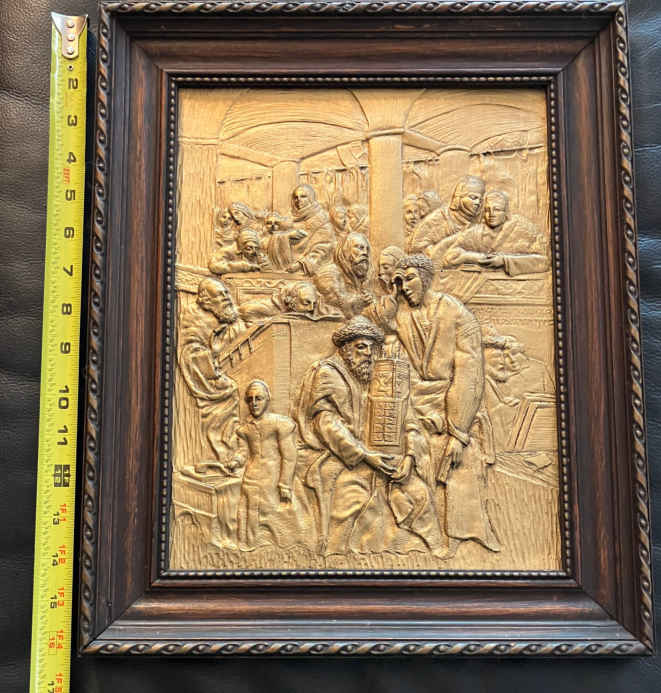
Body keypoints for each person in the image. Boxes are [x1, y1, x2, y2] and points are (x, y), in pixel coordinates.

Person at [370, 254, 500, 559]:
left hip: (453, 405)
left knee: (459, 464)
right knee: (404, 464)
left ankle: (462, 537)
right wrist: (391, 298)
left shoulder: (456, 314)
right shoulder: (400, 315)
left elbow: (469, 373)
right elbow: (374, 325)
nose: (404, 287)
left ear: (427, 278)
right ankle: (417, 534)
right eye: (399, 281)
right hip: (413, 404)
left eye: (410, 278)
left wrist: (458, 431)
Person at [294, 316, 443, 556]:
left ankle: (430, 556)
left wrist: (410, 457)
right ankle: (335, 557)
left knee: (419, 495)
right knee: (351, 499)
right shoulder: (327, 373)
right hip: (345, 458)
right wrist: (364, 454)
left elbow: (409, 420)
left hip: (388, 458)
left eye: (372, 348)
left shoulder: (382, 376)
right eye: (361, 347)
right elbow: (325, 423)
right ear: (346, 349)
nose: (368, 354)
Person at [230, 380, 307, 551]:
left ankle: (284, 549)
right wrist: (235, 461)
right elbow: (243, 452)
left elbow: (289, 456)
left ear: (267, 399)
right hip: (251, 478)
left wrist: (285, 484)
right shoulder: (244, 429)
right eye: (250, 399)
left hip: (273, 479)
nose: (254, 403)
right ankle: (250, 546)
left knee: (276, 516)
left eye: (259, 398)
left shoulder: (280, 424)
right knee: (249, 513)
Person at [177, 278, 246, 466]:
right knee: (228, 394)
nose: (227, 298)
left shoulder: (230, 318)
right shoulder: (194, 318)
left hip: (229, 367)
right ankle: (222, 452)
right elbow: (190, 351)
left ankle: (232, 451)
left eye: (226, 293)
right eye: (221, 295)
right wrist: (211, 363)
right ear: (207, 301)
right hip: (207, 379)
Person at [441, 190, 549, 275]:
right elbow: (449, 257)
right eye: (488, 210)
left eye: (497, 210)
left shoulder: (520, 229)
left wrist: (504, 261)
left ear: (506, 212)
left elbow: (543, 262)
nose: (491, 214)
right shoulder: (475, 233)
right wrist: (474, 257)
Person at [408, 175, 486, 265]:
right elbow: (417, 250)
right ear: (459, 197)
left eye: (480, 200)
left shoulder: (482, 219)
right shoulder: (437, 220)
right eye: (473, 198)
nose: (477, 203)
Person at [314, 232, 375, 318]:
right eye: (359, 248)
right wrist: (358, 301)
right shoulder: (329, 273)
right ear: (345, 251)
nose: (365, 253)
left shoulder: (361, 280)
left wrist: (369, 299)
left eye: (367, 249)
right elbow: (335, 300)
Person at [287, 184, 336, 275]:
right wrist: (287, 236)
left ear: (311, 198)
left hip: (309, 269)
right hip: (287, 265)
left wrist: (300, 265)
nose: (299, 200)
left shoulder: (321, 220)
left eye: (303, 196)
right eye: (296, 197)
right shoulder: (290, 217)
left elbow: (324, 248)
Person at [239, 281, 326, 323]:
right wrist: (271, 321)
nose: (311, 308)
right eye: (306, 303)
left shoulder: (310, 310)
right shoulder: (271, 307)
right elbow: (244, 311)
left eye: (314, 304)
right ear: (291, 300)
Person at [208, 227, 273, 275]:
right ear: (241, 247)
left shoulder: (257, 253)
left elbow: (270, 268)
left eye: (256, 248)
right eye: (249, 248)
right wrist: (242, 266)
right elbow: (213, 266)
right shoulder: (228, 251)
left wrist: (266, 265)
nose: (253, 251)